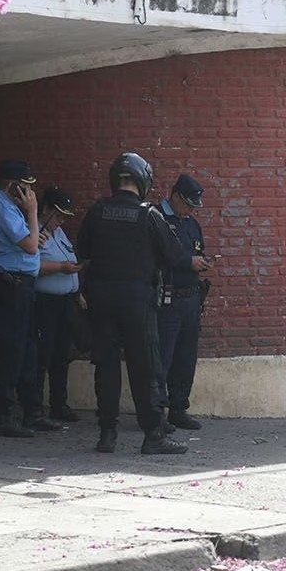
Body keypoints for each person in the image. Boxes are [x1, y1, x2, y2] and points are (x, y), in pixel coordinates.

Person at [77, 152, 208, 455]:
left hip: (102, 299)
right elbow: (175, 255)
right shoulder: (149, 215)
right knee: (145, 366)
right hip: (137, 300)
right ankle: (153, 434)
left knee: (106, 366)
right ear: (142, 180)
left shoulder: (98, 211)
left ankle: (107, 434)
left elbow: (82, 249)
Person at [0, 159, 55, 436]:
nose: (29, 194)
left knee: (27, 349)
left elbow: (31, 242)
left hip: (21, 284)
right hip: (9, 285)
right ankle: (3, 415)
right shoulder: (1, 207)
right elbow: (31, 246)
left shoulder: (10, 207)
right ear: (12, 186)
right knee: (11, 350)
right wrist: (33, 212)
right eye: (25, 188)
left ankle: (31, 410)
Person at [158, 174, 210, 431]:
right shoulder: (157, 218)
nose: (190, 210)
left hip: (190, 297)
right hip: (166, 299)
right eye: (188, 204)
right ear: (175, 196)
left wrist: (201, 262)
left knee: (185, 358)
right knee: (161, 357)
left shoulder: (191, 224)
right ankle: (155, 412)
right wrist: (187, 262)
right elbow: (158, 254)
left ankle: (178, 408)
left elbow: (198, 250)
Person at [34, 187, 82, 423]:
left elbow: (70, 258)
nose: (61, 220)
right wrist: (61, 268)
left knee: (62, 355)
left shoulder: (59, 233)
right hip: (44, 303)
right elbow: (32, 267)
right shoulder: (35, 233)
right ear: (45, 210)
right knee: (42, 355)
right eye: (58, 215)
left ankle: (58, 403)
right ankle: (35, 407)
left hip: (65, 301)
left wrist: (77, 289)